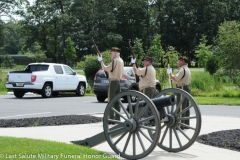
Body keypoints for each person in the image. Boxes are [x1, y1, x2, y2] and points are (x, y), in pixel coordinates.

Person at [97, 47, 124, 123]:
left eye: (112, 53)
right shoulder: (121, 60)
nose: (111, 54)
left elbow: (106, 68)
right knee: (117, 101)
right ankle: (117, 118)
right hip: (118, 82)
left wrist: (101, 61)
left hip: (113, 82)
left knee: (111, 100)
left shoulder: (115, 61)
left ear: (115, 53)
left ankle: (111, 118)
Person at [167, 56, 191, 128]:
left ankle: (180, 124)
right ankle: (186, 124)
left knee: (180, 107)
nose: (178, 62)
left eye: (179, 61)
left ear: (183, 61)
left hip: (182, 87)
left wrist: (170, 74)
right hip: (186, 87)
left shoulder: (182, 69)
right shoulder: (186, 69)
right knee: (185, 106)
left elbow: (175, 79)